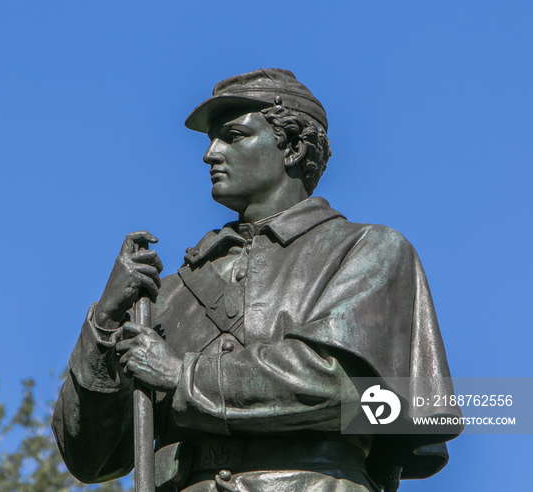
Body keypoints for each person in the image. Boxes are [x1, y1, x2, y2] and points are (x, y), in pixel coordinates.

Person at [52, 69, 460, 492]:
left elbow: (345, 388)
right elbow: (91, 459)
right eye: (213, 139)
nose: (210, 154)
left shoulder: (368, 251)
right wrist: (104, 322)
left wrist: (182, 375)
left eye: (232, 136)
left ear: (294, 148)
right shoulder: (170, 293)